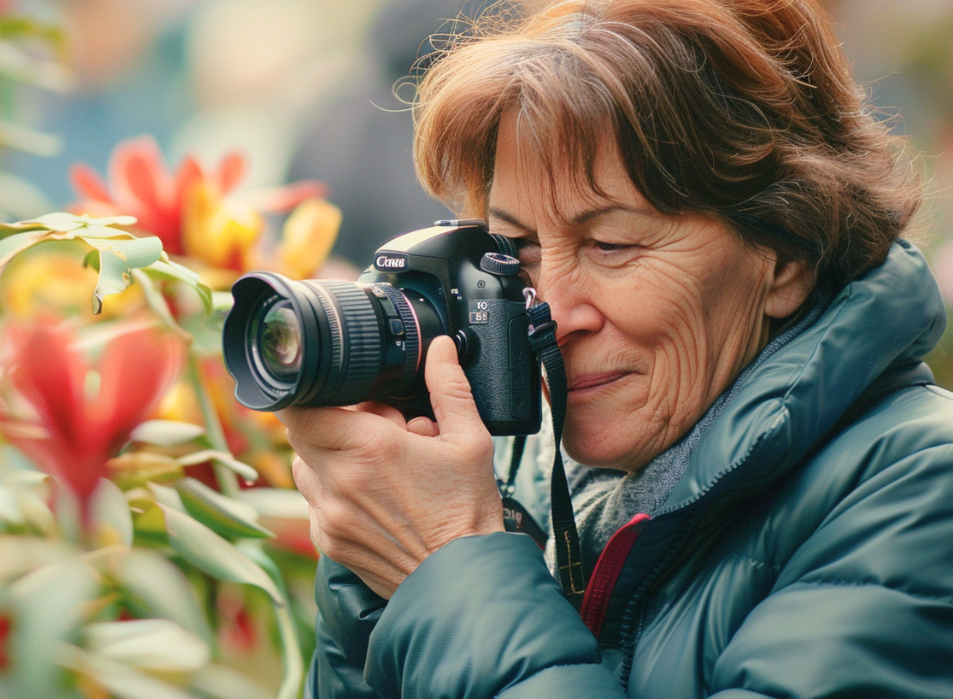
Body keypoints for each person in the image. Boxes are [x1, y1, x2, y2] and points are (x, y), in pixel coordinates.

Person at [277, 0, 953, 697]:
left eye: (610, 244)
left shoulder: (921, 491)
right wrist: (377, 570)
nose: (554, 312)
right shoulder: (527, 479)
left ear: (786, 254)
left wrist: (452, 565)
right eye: (517, 252)